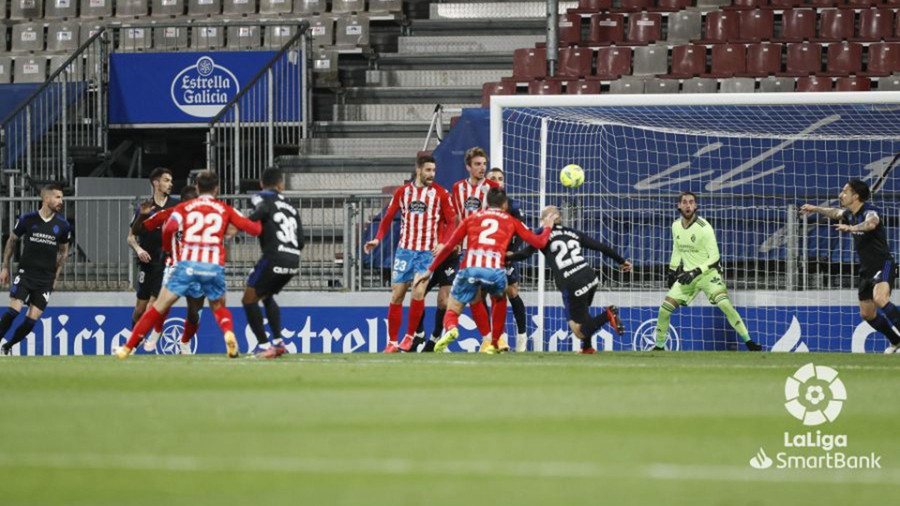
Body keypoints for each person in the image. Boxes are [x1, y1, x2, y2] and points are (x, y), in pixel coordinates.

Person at [115, 171, 262, 359]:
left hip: (186, 266)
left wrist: (167, 249)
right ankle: (229, 334)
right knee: (219, 307)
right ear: (216, 189)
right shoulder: (224, 209)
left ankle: (127, 348)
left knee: (159, 306)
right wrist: (254, 216)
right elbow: (255, 229)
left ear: (198, 188)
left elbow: (167, 228)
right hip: (213, 268)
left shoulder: (184, 209)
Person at [414, 188, 558, 354]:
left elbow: (448, 247)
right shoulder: (511, 220)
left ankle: (452, 328)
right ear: (504, 204)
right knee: (499, 299)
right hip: (494, 270)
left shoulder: (472, 218)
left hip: (470, 268)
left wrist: (429, 270)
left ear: (486, 203)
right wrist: (547, 228)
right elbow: (539, 243)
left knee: (453, 306)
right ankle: (494, 342)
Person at [507, 206, 632, 354]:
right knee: (584, 315)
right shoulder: (573, 233)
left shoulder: (542, 233)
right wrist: (621, 260)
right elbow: (601, 247)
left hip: (572, 282)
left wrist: (508, 257)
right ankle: (587, 347)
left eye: (541, 219)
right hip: (590, 277)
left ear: (545, 220)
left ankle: (609, 314)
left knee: (578, 330)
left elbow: (526, 253)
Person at [364, 154, 456, 353]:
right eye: (428, 170)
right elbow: (388, 218)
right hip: (405, 252)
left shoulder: (440, 193)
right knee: (397, 295)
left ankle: (409, 336)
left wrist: (443, 243)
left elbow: (453, 221)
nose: (432, 174)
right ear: (419, 170)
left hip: (426, 253)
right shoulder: (403, 193)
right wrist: (377, 239)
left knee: (418, 292)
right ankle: (391, 342)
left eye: (434, 170)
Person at [801, 179, 900, 353]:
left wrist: (852, 228)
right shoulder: (849, 214)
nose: (841, 194)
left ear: (856, 196)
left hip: (883, 263)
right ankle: (895, 340)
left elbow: (871, 223)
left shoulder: (870, 211)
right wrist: (815, 208)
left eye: (845, 191)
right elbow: (835, 212)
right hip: (866, 269)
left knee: (880, 298)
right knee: (867, 314)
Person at [654, 192, 760, 351]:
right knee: (664, 309)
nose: (688, 205)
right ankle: (659, 347)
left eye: (691, 202)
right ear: (679, 206)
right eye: (684, 202)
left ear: (695, 206)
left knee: (725, 304)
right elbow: (677, 249)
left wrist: (696, 271)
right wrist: (671, 271)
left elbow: (715, 257)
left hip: (708, 274)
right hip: (687, 277)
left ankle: (749, 342)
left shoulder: (704, 227)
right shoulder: (675, 225)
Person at [132, 185, 205, 355]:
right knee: (162, 305)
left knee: (194, 315)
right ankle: (157, 332)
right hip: (175, 268)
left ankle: (185, 342)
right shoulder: (169, 215)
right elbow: (138, 230)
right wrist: (142, 216)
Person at [0, 184, 72, 355]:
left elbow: (63, 252)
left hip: (45, 280)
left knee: (31, 321)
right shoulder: (28, 219)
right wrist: (4, 267)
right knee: (13, 311)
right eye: (57, 197)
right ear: (46, 198)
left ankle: (6, 347)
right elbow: (12, 241)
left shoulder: (63, 225)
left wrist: (56, 277)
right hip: (26, 274)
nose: (61, 201)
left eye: (61, 197)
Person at [242, 167, 304, 359]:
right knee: (266, 296)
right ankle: (278, 343)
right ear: (281, 185)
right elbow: (301, 242)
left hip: (274, 257)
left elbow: (262, 209)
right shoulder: (292, 207)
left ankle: (263, 346)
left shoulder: (261, 196)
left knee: (248, 299)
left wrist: (242, 223)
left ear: (262, 184)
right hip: (293, 260)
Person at [448, 147, 502, 352]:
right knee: (474, 296)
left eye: (484, 164)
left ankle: (498, 338)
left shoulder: (493, 187)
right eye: (478, 164)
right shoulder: (457, 188)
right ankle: (489, 339)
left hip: (489, 250)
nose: (482, 168)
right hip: (467, 250)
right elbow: (459, 218)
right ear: (468, 167)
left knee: (499, 294)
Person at [127, 167, 178, 349]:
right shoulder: (144, 207)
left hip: (166, 262)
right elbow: (130, 236)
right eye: (166, 180)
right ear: (156, 183)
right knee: (140, 309)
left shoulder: (175, 205)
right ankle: (135, 336)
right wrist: (139, 249)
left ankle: (142, 339)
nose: (170, 184)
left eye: (171, 181)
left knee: (153, 304)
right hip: (147, 263)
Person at [486, 167, 530, 352]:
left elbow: (521, 232)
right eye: (493, 178)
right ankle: (500, 338)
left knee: (512, 292)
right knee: (494, 295)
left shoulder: (513, 206)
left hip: (506, 256)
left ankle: (521, 337)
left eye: (500, 178)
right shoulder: (484, 204)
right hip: (488, 257)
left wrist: (512, 252)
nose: (497, 181)